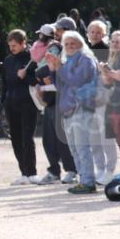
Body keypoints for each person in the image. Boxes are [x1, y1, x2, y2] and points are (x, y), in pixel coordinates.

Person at [48, 31, 100, 194]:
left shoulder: (86, 59)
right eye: (67, 44)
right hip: (68, 109)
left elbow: (76, 81)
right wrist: (53, 69)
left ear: (81, 44)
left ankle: (88, 181)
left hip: (81, 107)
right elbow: (60, 86)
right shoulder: (66, 60)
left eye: (73, 43)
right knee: (74, 149)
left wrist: (59, 68)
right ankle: (82, 179)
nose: (70, 46)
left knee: (82, 147)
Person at [33, 17, 79, 184]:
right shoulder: (56, 47)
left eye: (59, 30)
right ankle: (54, 171)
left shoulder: (73, 51)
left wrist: (45, 83)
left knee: (63, 137)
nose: (56, 33)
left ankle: (72, 170)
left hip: (65, 100)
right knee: (48, 138)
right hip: (52, 100)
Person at [1, 30, 38, 185]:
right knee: (16, 139)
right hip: (11, 104)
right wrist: (2, 102)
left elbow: (36, 80)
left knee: (27, 138)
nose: (12, 48)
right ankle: (23, 173)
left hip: (28, 104)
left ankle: (32, 173)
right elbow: (4, 82)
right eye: (10, 46)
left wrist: (25, 77)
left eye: (14, 45)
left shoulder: (32, 58)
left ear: (23, 43)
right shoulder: (8, 60)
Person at [85, 20, 117, 183]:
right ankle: (100, 169)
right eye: (92, 31)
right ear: (88, 33)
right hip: (88, 100)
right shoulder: (85, 51)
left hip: (104, 99)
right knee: (93, 139)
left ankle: (110, 171)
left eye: (99, 32)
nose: (95, 34)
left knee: (106, 139)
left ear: (104, 34)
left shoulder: (107, 51)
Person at [100, 30, 120, 173]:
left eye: (119, 42)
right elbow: (109, 85)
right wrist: (107, 76)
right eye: (113, 42)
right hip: (117, 106)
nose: (116, 45)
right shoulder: (119, 60)